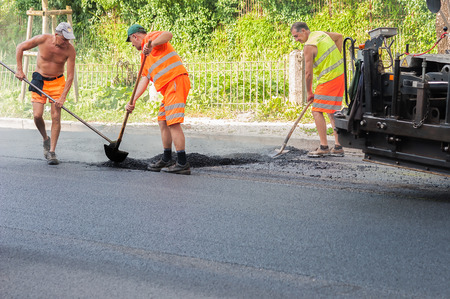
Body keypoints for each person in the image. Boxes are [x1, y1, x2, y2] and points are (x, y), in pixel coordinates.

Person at [125, 24, 191, 175]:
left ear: (135, 36)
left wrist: (151, 44)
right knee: (162, 120)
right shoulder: (144, 56)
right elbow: (144, 79)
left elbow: (168, 34)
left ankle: (182, 163)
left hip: (176, 81)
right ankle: (167, 158)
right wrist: (132, 100)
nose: (132, 45)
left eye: (131, 41)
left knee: (173, 122)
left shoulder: (150, 38)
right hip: (168, 89)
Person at [15, 22, 76, 165]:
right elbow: (20, 47)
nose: (67, 42)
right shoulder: (42, 39)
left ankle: (52, 152)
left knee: (55, 117)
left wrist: (63, 97)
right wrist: (19, 69)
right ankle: (45, 139)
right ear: (56, 35)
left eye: (69, 40)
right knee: (37, 115)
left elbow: (71, 76)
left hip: (57, 83)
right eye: (64, 39)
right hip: (39, 80)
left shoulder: (70, 50)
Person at [291, 22, 345, 157]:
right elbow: (339, 36)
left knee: (317, 111)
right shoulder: (320, 34)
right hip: (340, 75)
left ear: (304, 31)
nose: (296, 39)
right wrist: (335, 57)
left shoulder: (309, 46)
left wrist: (309, 92)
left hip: (329, 78)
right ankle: (338, 146)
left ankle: (324, 146)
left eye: (297, 36)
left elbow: (308, 73)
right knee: (332, 111)